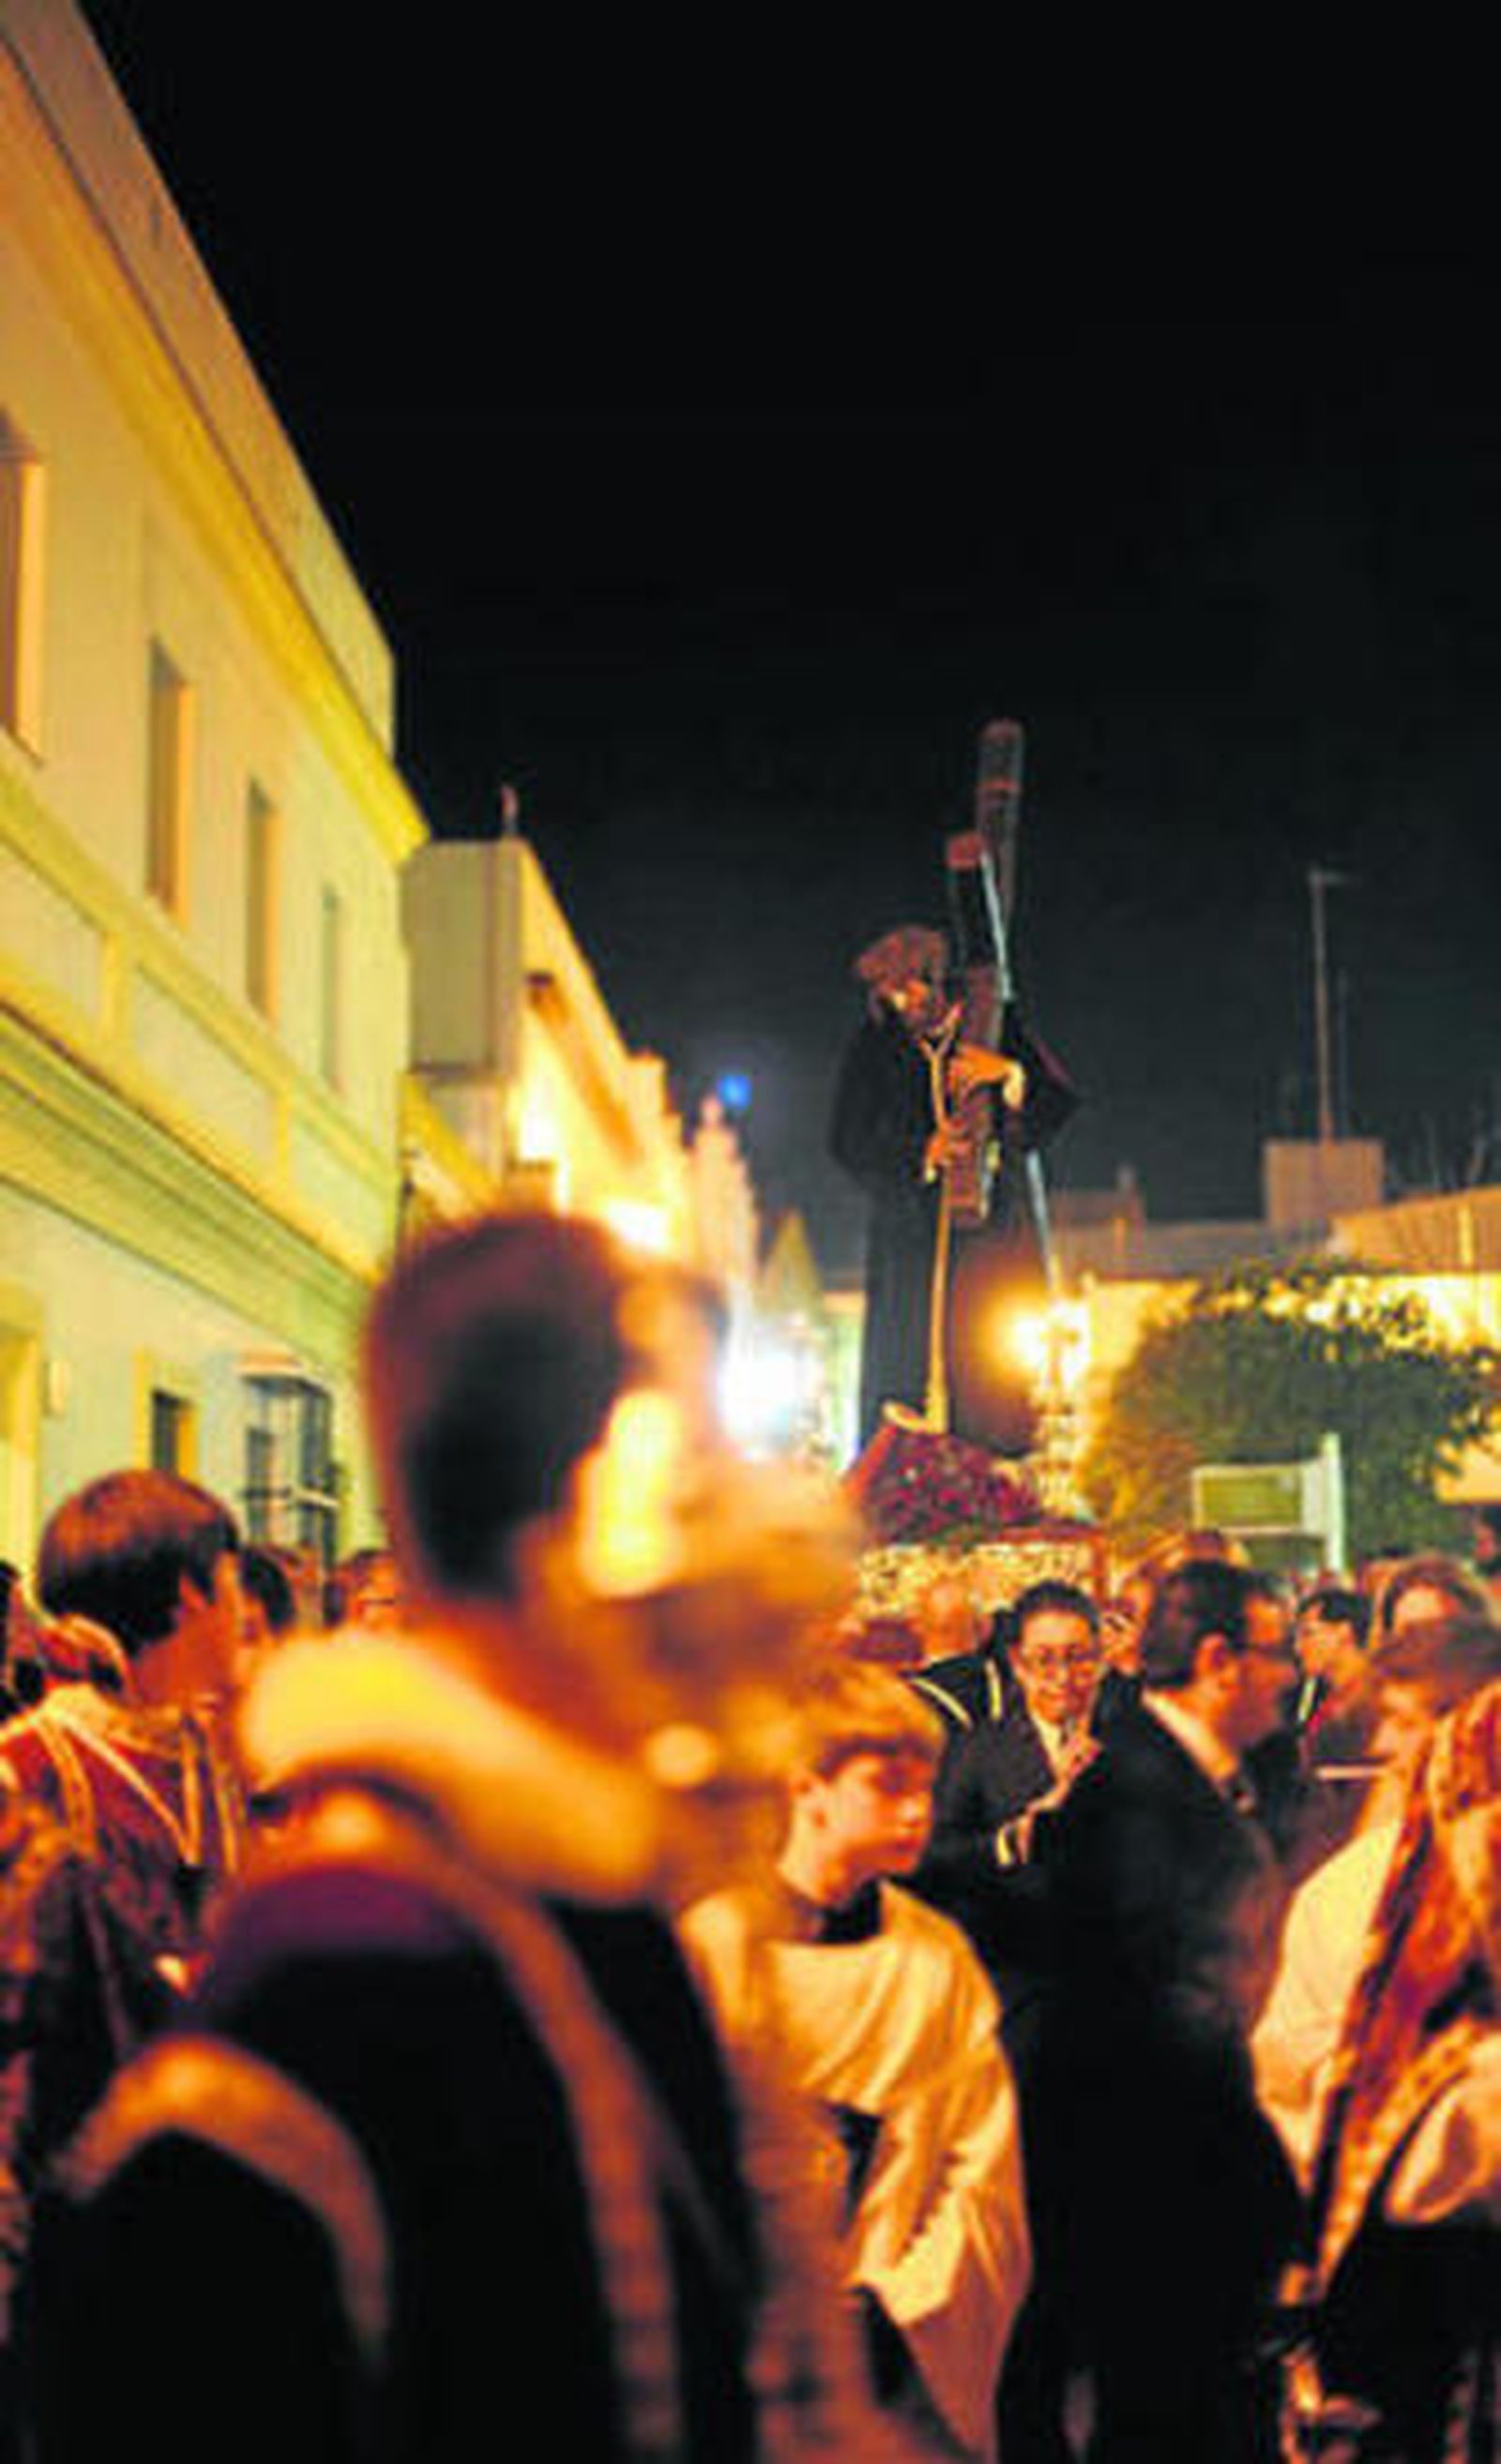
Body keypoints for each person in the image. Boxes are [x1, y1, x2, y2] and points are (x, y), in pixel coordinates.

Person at [23, 1212, 870, 2464]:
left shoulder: (590, 1910)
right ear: (583, 1516)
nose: (764, 1538)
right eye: (705, 1466)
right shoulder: (349, 1974)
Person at [682, 1658, 1031, 2462]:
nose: (918, 1812)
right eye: (887, 1786)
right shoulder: (712, 1948)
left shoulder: (933, 1961)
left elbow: (982, 2178)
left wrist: (895, 2313)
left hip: (896, 2350)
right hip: (743, 2349)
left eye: (926, 1788)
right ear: (806, 1788)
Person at [1019, 1558, 1302, 2463]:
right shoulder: (1142, 1796)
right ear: (1219, 1659)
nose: (1289, 1674)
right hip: (1154, 2195)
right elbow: (1165, 2022)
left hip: (1171, 2184)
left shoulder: (1194, 1775)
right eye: (1276, 1652)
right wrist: (1269, 2182)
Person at [1269, 1656, 1501, 2463]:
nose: (1387, 1746)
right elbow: (1289, 2062)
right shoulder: (1357, 1890)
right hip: (1418, 2323)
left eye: (1412, 1722)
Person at [829, 923, 1075, 1457]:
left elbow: (1055, 1103)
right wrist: (921, 1152)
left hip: (988, 1235)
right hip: (908, 1241)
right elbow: (847, 1140)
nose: (899, 1004)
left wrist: (1008, 1076)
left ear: (936, 980)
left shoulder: (995, 1023)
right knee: (903, 1364)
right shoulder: (874, 1043)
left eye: (908, 990)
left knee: (987, 1363)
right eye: (889, 995)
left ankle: (992, 1477)